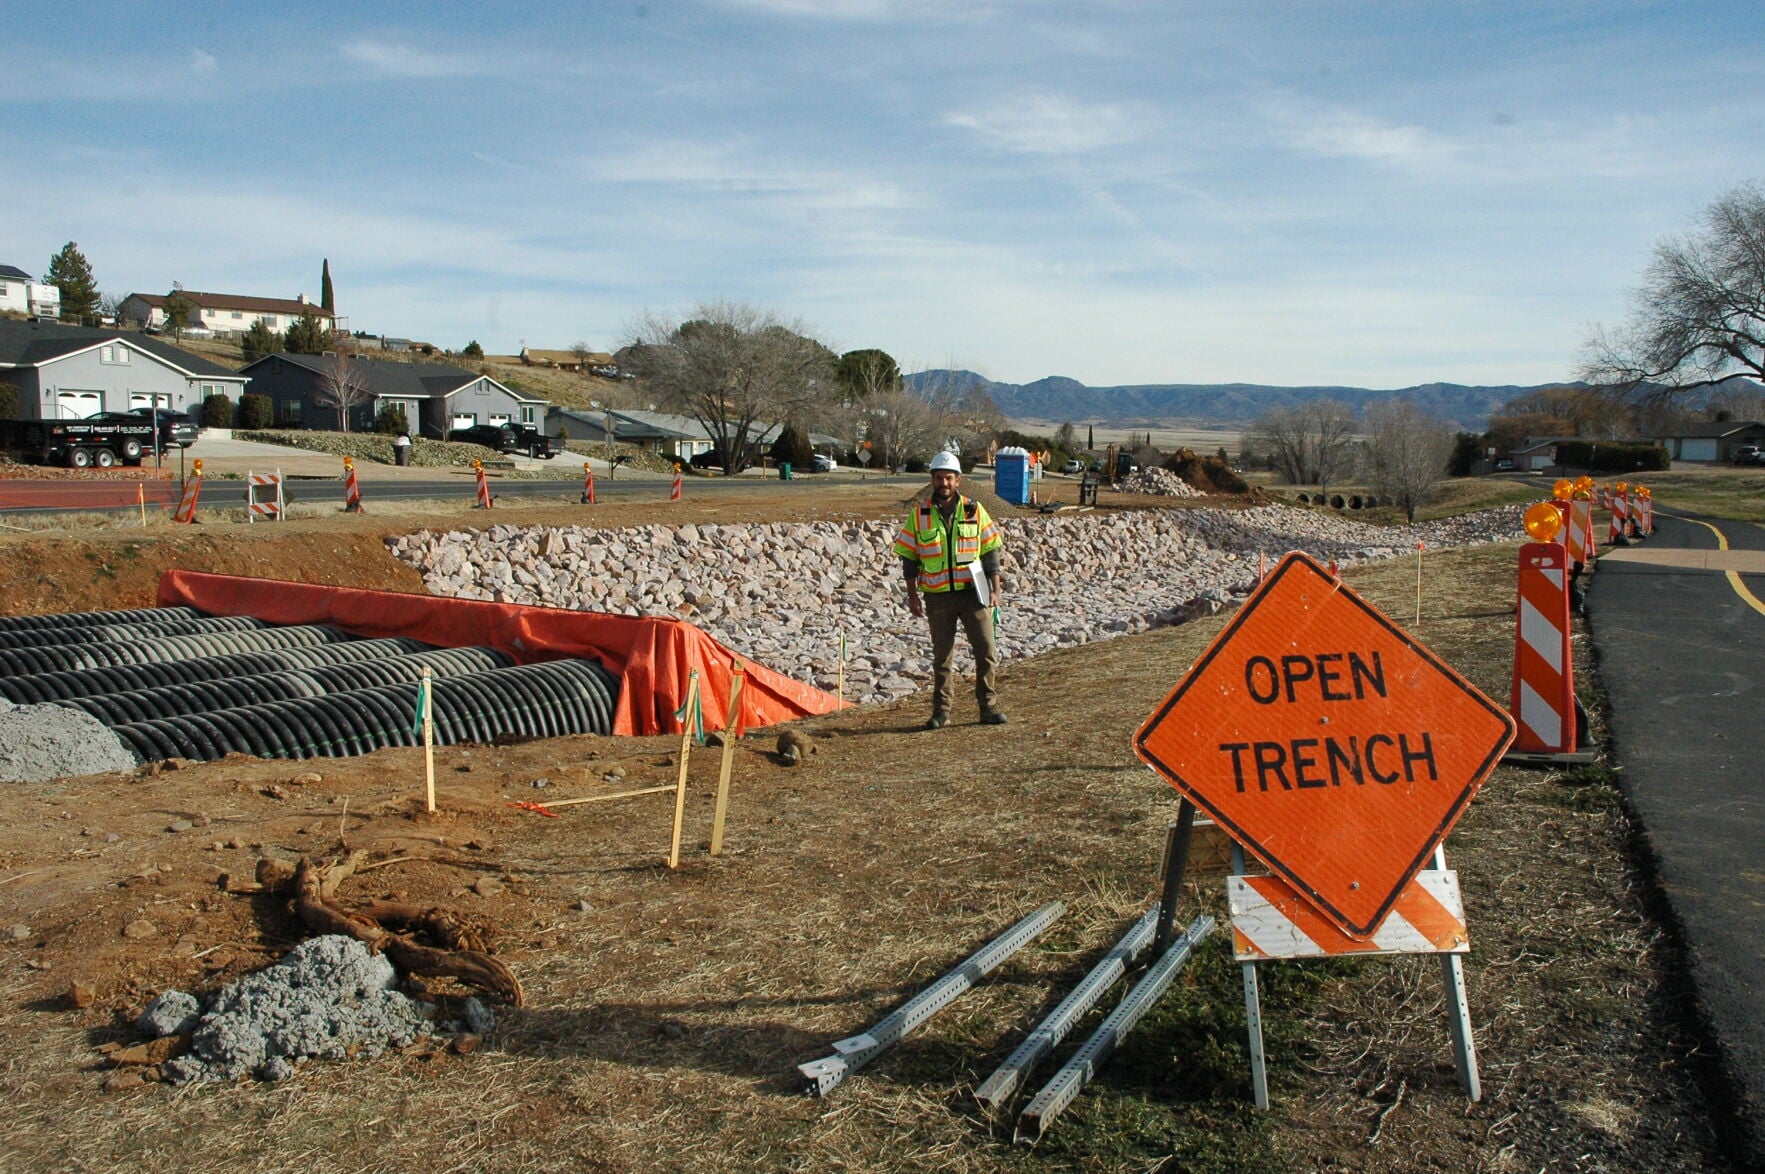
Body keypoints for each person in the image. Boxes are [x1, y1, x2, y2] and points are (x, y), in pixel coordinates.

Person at [893, 451, 1007, 728]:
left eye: (949, 478)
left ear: (958, 480)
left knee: (986, 651)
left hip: (973, 594)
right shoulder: (919, 515)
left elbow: (991, 551)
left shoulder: (974, 510)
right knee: (942, 657)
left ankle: (987, 708)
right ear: (932, 480)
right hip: (937, 597)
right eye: (939, 477)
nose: (944, 482)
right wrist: (912, 596)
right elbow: (909, 558)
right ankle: (941, 711)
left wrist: (995, 589)